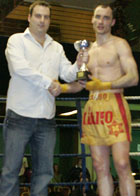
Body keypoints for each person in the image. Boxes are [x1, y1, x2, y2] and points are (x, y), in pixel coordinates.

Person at [0, 1, 88, 196]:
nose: (42, 20)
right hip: (19, 117)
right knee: (10, 172)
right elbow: (19, 69)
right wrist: (49, 83)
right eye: (38, 16)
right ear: (29, 17)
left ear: (49, 20)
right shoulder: (16, 40)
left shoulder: (56, 47)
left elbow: (68, 73)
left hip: (46, 120)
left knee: (44, 174)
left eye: (46, 17)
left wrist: (79, 63)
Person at [60, 3, 139, 196]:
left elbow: (133, 76)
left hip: (114, 103)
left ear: (112, 22)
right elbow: (82, 83)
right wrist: (60, 87)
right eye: (97, 17)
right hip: (93, 109)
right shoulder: (86, 52)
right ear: (92, 20)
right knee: (99, 166)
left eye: (105, 18)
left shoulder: (120, 44)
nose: (100, 21)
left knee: (121, 163)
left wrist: (106, 85)